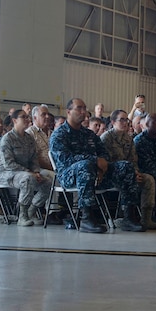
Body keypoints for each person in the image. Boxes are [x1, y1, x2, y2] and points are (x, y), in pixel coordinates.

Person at [51, 98, 143, 233]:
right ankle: (86, 219)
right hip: (69, 176)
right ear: (69, 111)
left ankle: (128, 217)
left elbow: (103, 153)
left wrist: (101, 167)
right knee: (85, 166)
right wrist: (94, 161)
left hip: (96, 174)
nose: (83, 112)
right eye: (79, 108)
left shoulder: (88, 134)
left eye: (84, 108)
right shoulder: (59, 134)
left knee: (126, 166)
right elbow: (65, 160)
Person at [0, 110, 54, 226]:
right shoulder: (7, 139)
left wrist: (36, 171)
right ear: (15, 120)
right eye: (23, 117)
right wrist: (30, 173)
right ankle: (22, 216)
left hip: (24, 173)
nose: (27, 119)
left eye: (27, 117)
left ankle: (31, 211)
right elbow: (9, 164)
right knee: (27, 179)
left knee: (48, 182)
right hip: (5, 173)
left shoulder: (29, 138)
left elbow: (33, 160)